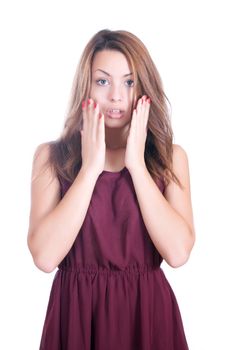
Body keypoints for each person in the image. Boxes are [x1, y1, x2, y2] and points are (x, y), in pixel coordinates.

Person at [27, 29, 195, 350]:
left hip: (148, 318)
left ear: (144, 89)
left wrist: (136, 164)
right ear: (85, 87)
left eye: (129, 83)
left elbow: (177, 253)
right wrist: (91, 168)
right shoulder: (50, 158)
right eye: (103, 81)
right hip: (75, 318)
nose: (116, 96)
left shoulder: (171, 158)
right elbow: (46, 257)